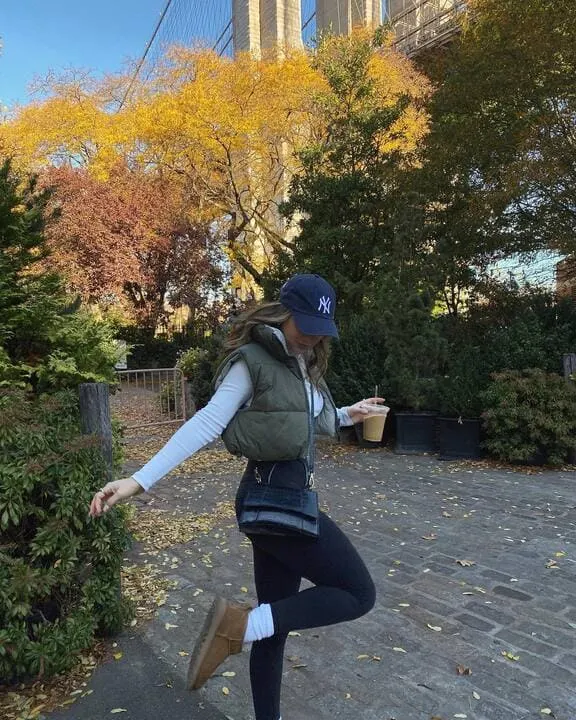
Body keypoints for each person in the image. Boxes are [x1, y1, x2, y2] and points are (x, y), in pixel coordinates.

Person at [90, 274, 385, 720]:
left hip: (283, 500)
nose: (311, 335)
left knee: (276, 626)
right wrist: (139, 480)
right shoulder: (253, 361)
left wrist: (349, 414)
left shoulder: (303, 364)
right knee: (358, 592)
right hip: (273, 499)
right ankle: (239, 626)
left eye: (319, 328)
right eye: (304, 324)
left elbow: (300, 421)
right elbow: (206, 423)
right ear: (281, 313)